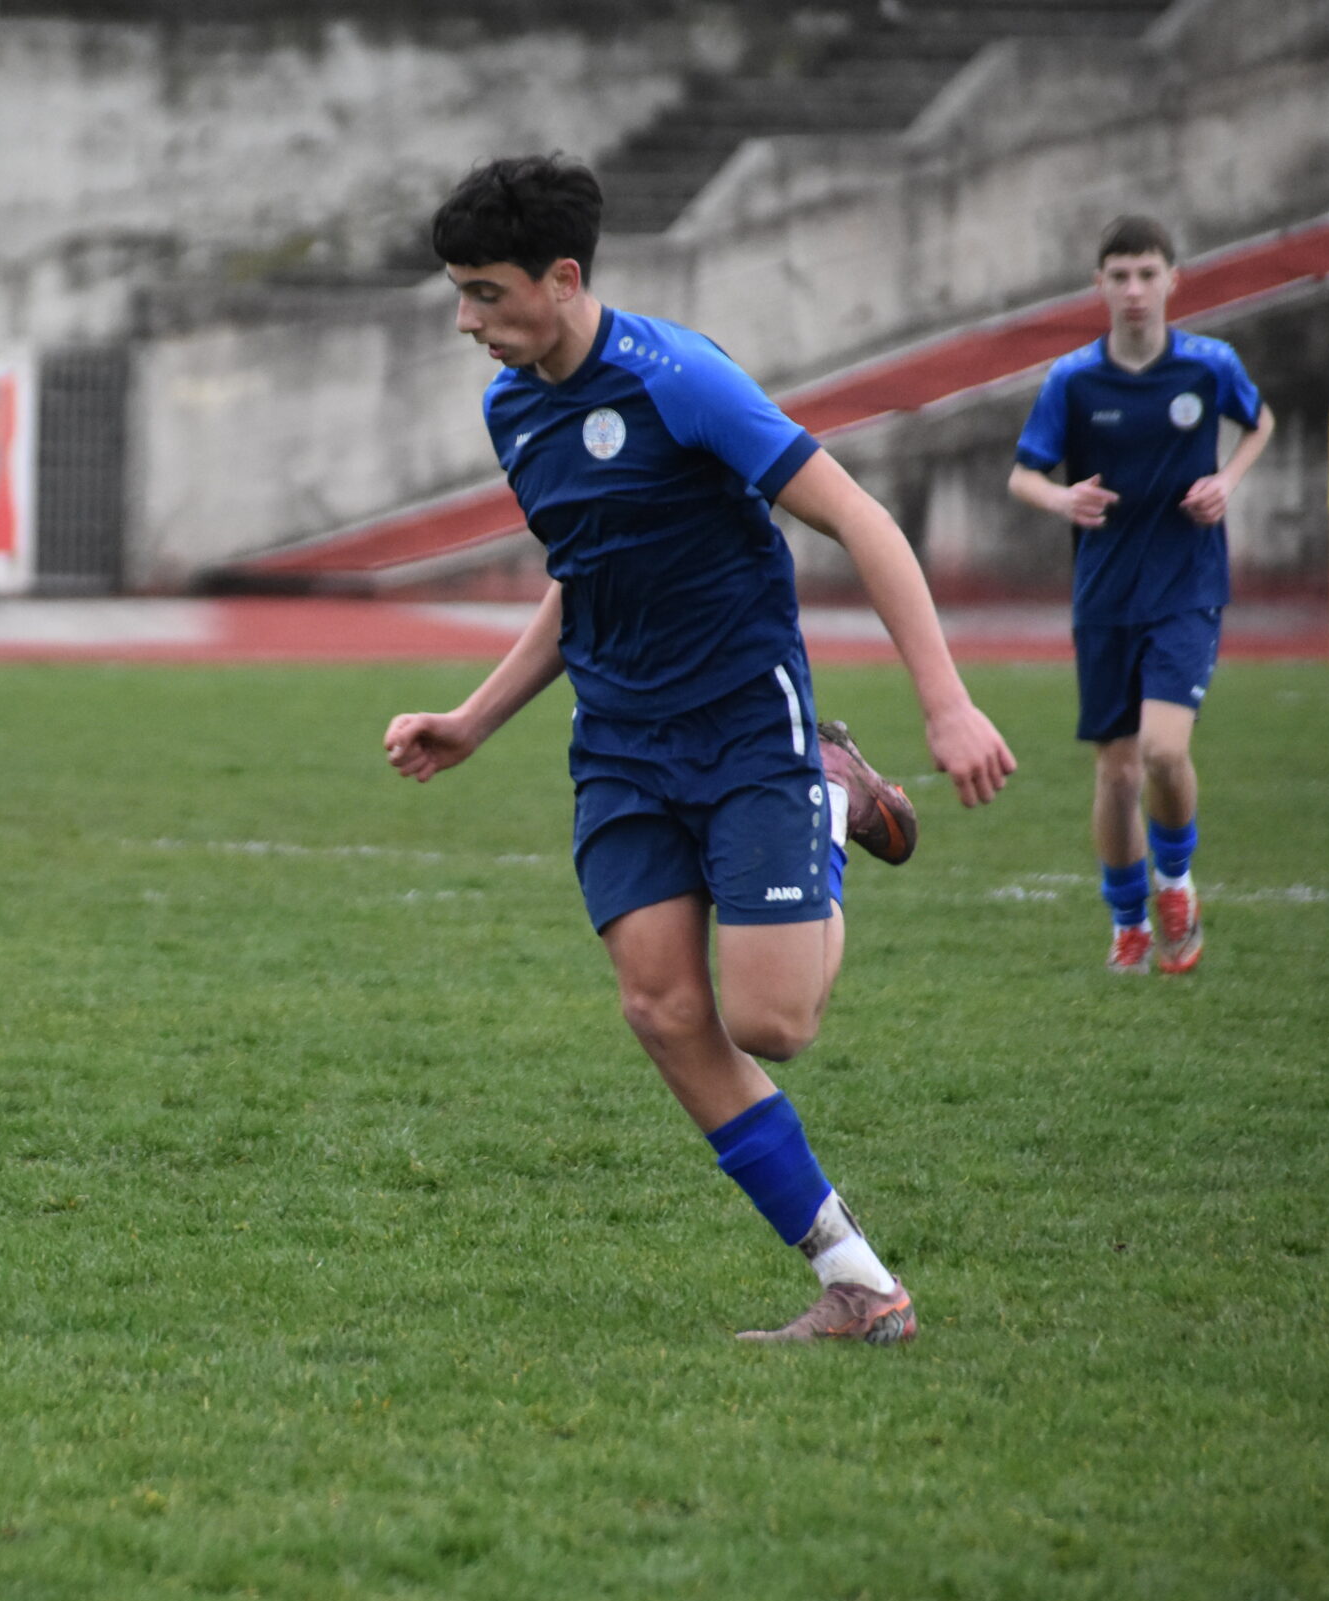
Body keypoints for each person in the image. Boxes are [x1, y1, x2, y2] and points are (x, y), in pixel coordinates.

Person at [384, 155, 1016, 1344]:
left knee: (774, 1024)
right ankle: (855, 1281)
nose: (466, 321)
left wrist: (946, 704)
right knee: (662, 1008)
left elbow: (860, 518)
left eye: (484, 293)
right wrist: (473, 719)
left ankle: (831, 794)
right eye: (459, 294)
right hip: (620, 747)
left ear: (561, 278)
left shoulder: (681, 380)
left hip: (744, 729)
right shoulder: (513, 409)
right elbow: (585, 577)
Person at [1008, 214, 1273, 975]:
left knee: (1162, 750)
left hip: (1188, 585)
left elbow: (1259, 422)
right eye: (1119, 276)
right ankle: (1128, 923)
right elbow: (1023, 474)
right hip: (1104, 594)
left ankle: (1176, 882)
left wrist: (1227, 480)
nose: (1134, 290)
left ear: (1172, 280)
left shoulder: (1209, 366)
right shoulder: (1072, 380)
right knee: (1117, 772)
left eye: (1147, 274)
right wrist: (1063, 499)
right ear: (1099, 284)